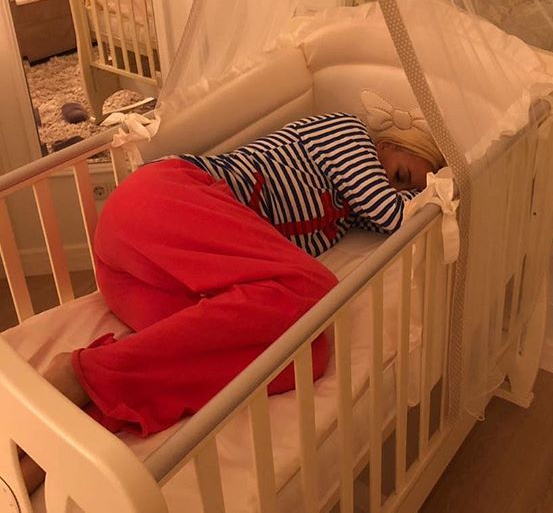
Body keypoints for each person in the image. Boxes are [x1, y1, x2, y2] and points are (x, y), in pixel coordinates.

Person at [26, 112, 442, 474]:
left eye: (407, 190)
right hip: (160, 198)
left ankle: (66, 434)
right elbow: (395, 215)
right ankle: (79, 375)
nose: (395, 190)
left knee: (301, 356)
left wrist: (407, 195)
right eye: (400, 177)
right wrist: (441, 197)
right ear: (387, 146)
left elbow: (383, 217)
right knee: (315, 293)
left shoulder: (347, 213)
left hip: (141, 278)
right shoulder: (347, 133)